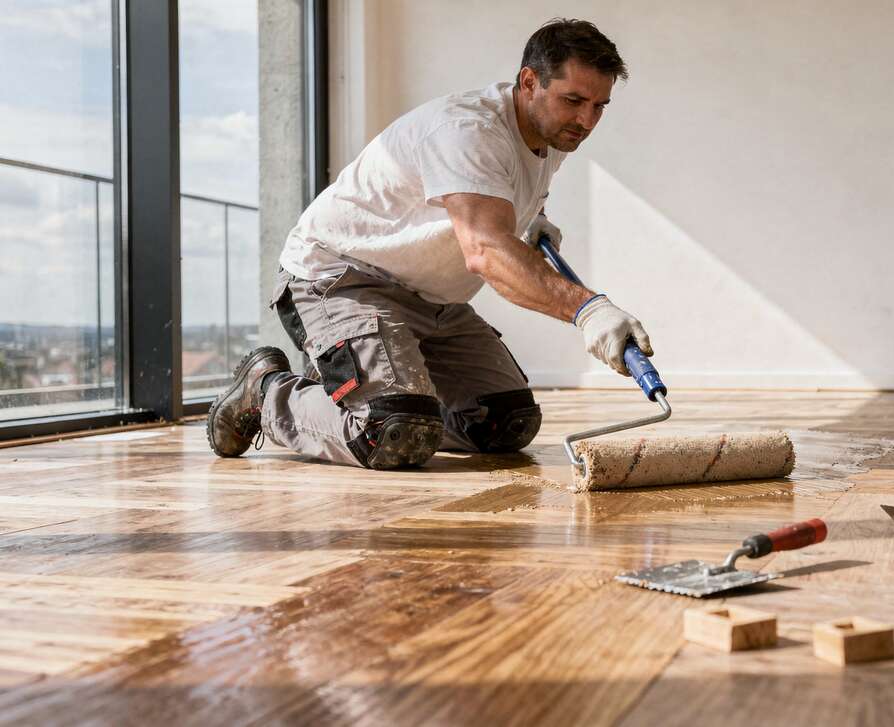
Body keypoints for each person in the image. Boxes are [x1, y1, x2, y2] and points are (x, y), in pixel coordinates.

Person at [206, 18, 652, 469]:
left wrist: (532, 218)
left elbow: (493, 191)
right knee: (392, 432)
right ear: (529, 81)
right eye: (574, 100)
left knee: (501, 422)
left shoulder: (552, 133)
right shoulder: (468, 132)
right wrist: (587, 309)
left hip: (431, 301)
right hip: (340, 279)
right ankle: (267, 394)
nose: (586, 120)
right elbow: (486, 252)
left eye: (600, 105)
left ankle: (378, 392)